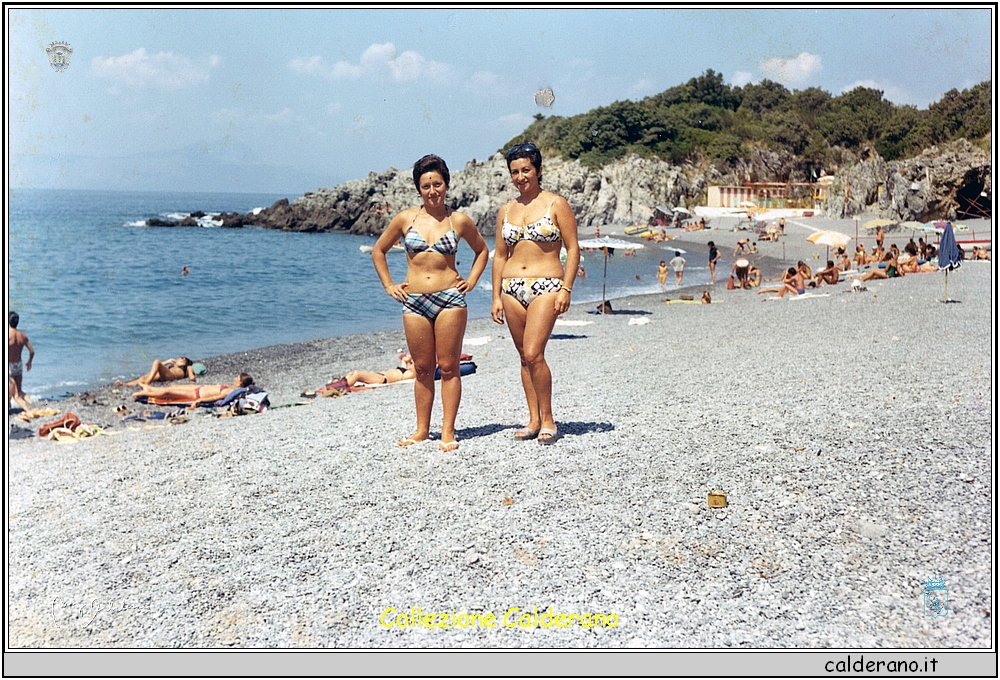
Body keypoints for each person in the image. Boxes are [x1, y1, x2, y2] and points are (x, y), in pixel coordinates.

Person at [373, 154, 489, 452]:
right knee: (423, 369)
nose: (432, 190)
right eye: (426, 185)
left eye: (437, 183)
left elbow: (482, 251)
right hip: (414, 302)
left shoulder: (458, 220)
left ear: (446, 185)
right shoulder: (405, 219)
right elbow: (379, 251)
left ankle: (448, 431)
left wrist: (472, 282)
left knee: (448, 367)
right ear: (419, 188)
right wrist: (389, 285)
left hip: (450, 298)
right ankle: (422, 430)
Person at [492, 142, 580, 445]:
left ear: (538, 170)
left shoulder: (556, 204)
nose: (520, 176)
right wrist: (495, 297)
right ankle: (533, 419)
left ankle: (549, 420)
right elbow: (500, 256)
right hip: (511, 289)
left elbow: (573, 248)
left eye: (526, 170)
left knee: (533, 352)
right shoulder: (506, 209)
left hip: (547, 285)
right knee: (522, 357)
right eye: (515, 171)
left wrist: (566, 288)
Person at [132, 373, 254, 410]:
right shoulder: (232, 389)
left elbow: (215, 398)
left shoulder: (230, 392)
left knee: (167, 393)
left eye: (236, 378)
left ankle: (143, 394)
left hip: (196, 394)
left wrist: (200, 400)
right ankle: (149, 389)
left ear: (241, 383)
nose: (234, 378)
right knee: (173, 387)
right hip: (199, 388)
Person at [8, 311, 35, 411]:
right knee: (19, 391)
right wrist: (29, 362)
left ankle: (28, 410)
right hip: (18, 365)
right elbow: (32, 351)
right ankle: (32, 404)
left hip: (8, 367)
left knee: (14, 394)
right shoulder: (23, 336)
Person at [345, 354, 415, 388]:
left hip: (383, 379)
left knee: (358, 374)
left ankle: (340, 388)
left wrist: (413, 358)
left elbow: (419, 364)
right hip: (379, 375)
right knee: (351, 374)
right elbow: (404, 360)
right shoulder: (405, 370)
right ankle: (337, 384)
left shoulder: (411, 374)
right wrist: (408, 358)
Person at [116, 357, 196, 386]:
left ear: (184, 359)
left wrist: (191, 376)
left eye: (179, 358)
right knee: (143, 378)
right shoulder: (173, 366)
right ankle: (125, 384)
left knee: (156, 362)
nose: (177, 359)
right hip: (165, 375)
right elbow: (159, 367)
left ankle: (147, 383)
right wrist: (168, 362)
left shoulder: (187, 367)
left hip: (172, 376)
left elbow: (191, 374)